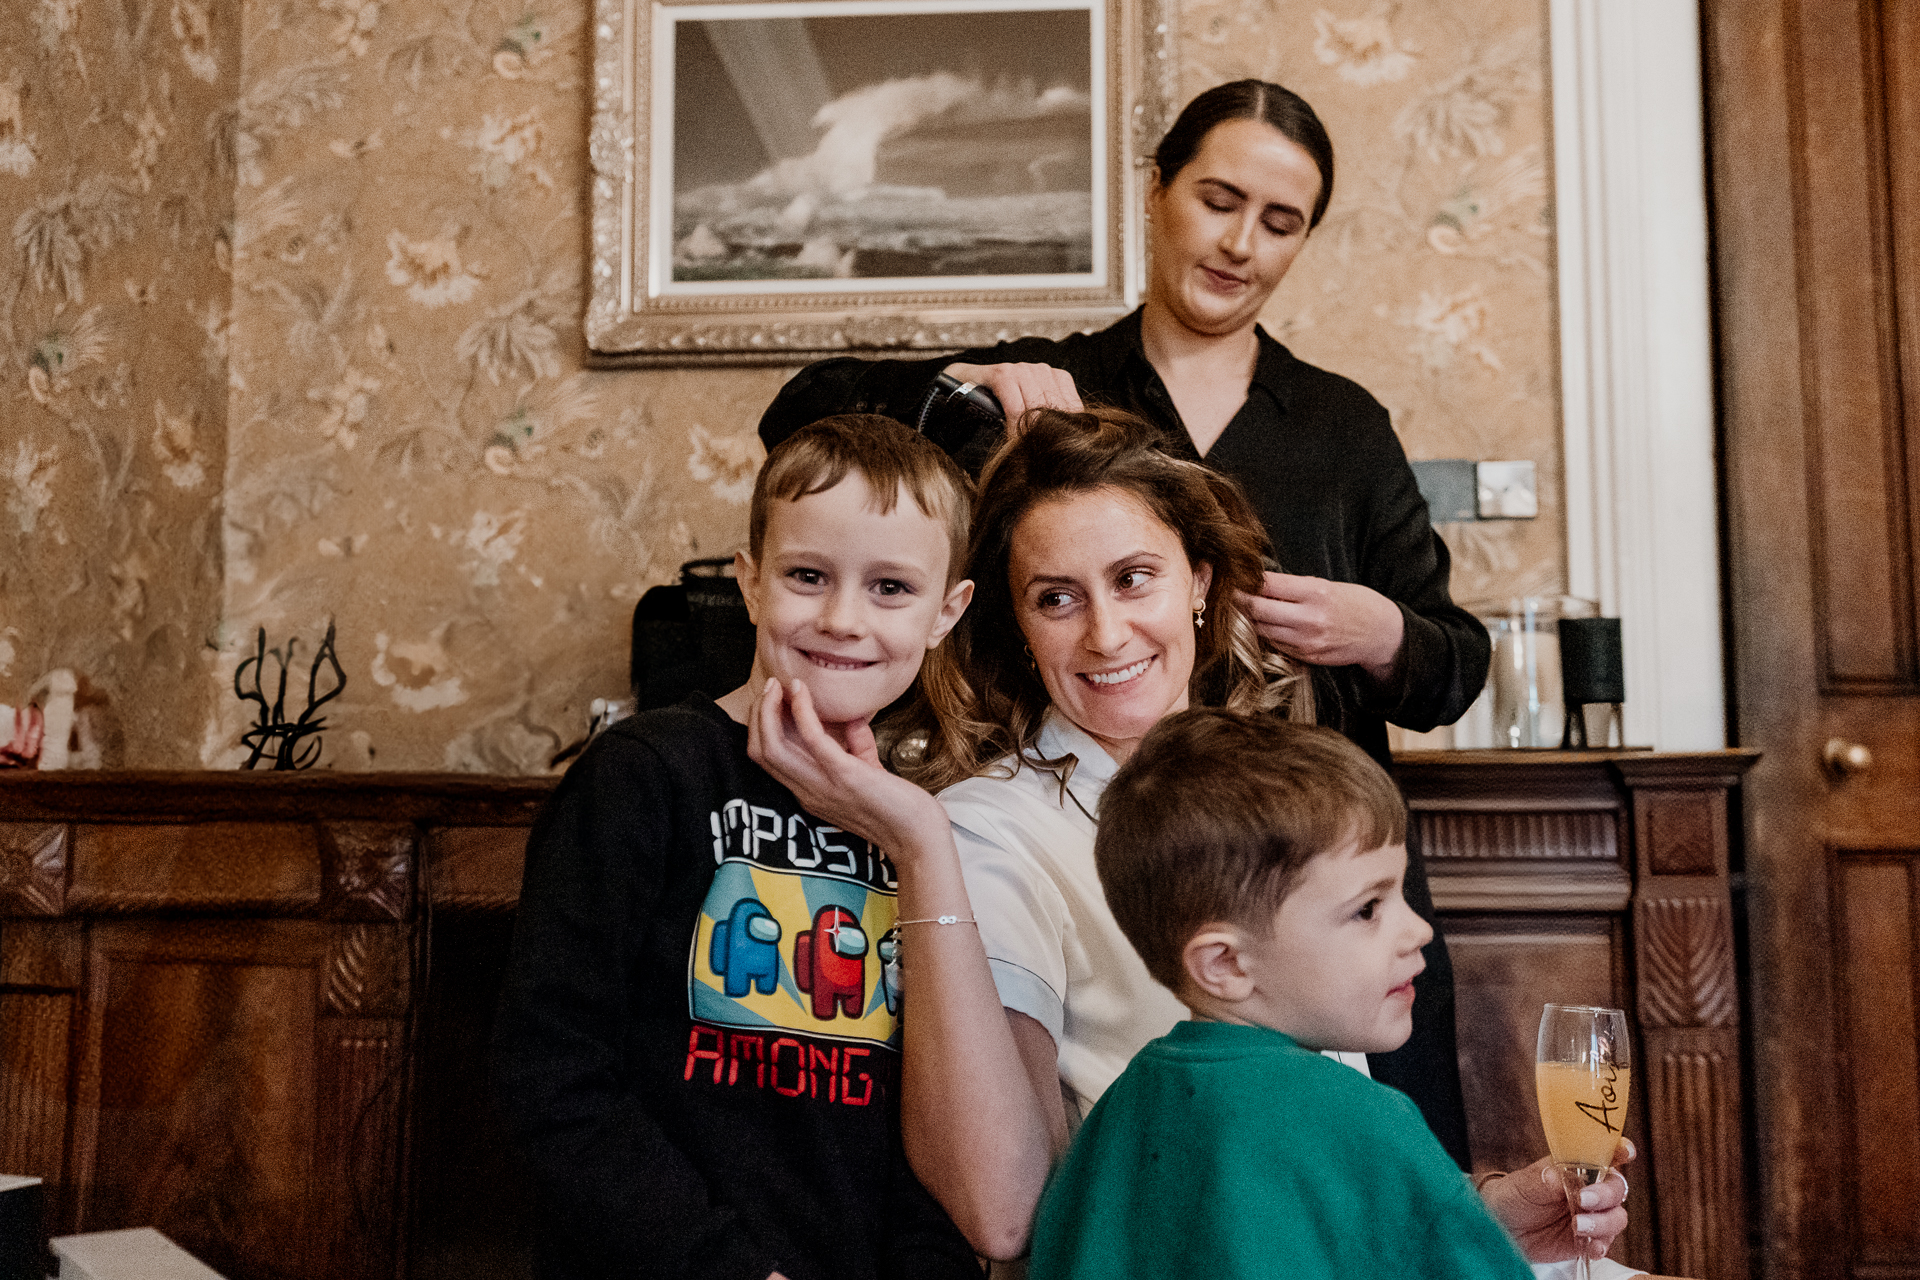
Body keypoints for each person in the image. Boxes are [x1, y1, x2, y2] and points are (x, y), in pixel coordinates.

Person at [758, 78, 1488, 1164]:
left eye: (1279, 222)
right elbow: (802, 412)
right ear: (1158, 193)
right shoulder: (1058, 389)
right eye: (1218, 199)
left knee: (1380, 1171)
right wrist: (965, 377)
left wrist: (1380, 628)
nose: (1241, 241)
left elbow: (1453, 665)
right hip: (1096, 832)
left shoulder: (1338, 423)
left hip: (1319, 858)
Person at [748, 408, 1623, 1266]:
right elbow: (1008, 1218)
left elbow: (1302, 1162)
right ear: (1015, 623)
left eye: (1134, 579)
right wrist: (923, 845)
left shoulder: (1275, 793)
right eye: (1057, 598)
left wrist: (1480, 1213)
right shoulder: (990, 830)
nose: (1106, 632)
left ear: (1200, 581)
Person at [490, 415, 982, 1280]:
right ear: (751, 585)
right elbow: (552, 1074)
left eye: (891, 588)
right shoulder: (644, 775)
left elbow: (935, 1119)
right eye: (807, 576)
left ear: (948, 613)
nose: (842, 618)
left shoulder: (922, 826)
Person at [1029, 709, 1567, 1278]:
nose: (1418, 931)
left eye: (1401, 894)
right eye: (1368, 909)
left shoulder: (1115, 1124)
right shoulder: (1362, 1120)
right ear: (1226, 964)